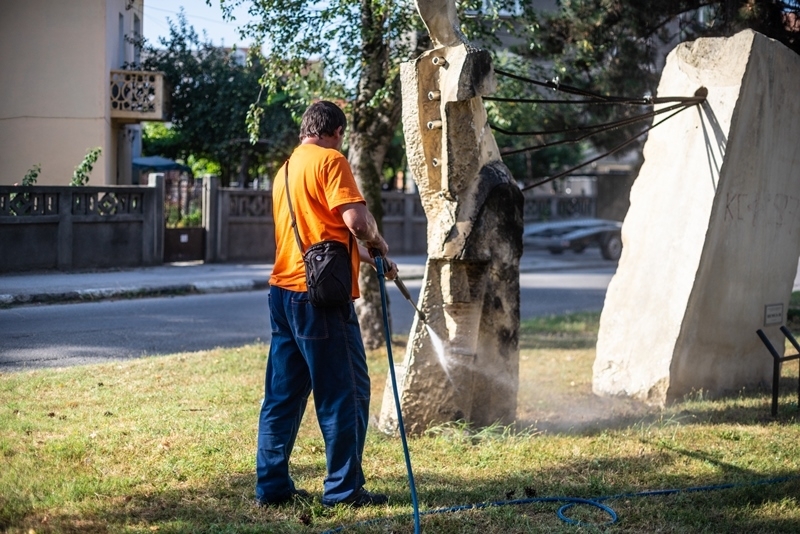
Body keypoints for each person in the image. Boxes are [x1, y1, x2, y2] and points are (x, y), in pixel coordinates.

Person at [256, 100, 397, 508]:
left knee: (282, 397)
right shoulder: (331, 161)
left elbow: (320, 235)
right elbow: (354, 222)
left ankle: (272, 489)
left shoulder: (285, 171)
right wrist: (378, 240)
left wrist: (369, 259)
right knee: (345, 392)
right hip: (321, 300)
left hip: (283, 293)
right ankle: (344, 490)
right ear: (336, 132)